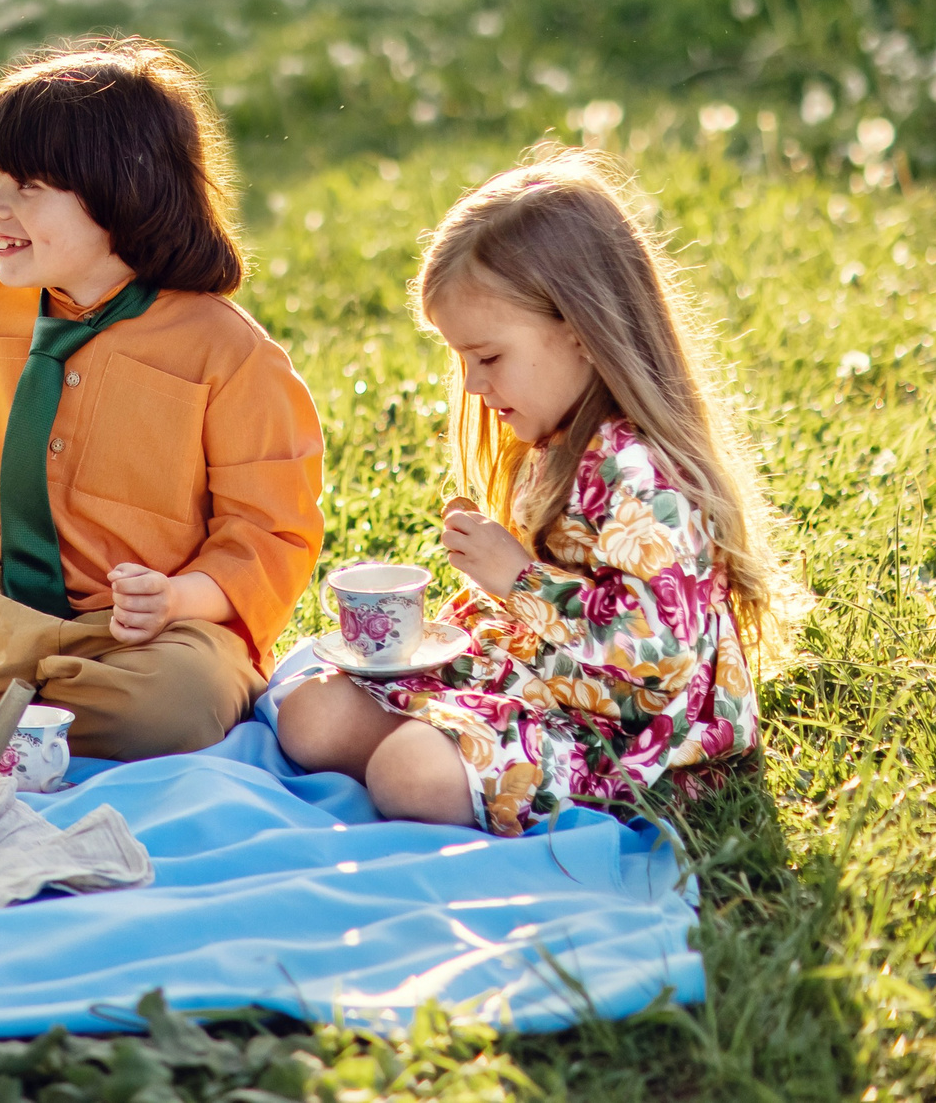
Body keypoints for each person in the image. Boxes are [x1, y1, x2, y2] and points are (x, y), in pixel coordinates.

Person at [274, 147, 803, 834]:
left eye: (487, 357)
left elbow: (656, 656)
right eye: (460, 359)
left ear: (580, 331)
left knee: (408, 772)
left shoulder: (642, 476)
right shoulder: (558, 442)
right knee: (308, 715)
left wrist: (518, 578)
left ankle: (438, 757)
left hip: (630, 739)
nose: (470, 385)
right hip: (539, 686)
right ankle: (445, 749)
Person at [0, 37, 326, 761]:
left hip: (152, 630)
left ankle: (17, 715)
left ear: (122, 194)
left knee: (177, 706)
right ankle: (23, 705)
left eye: (29, 189)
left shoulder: (227, 353)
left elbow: (272, 535)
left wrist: (177, 601)